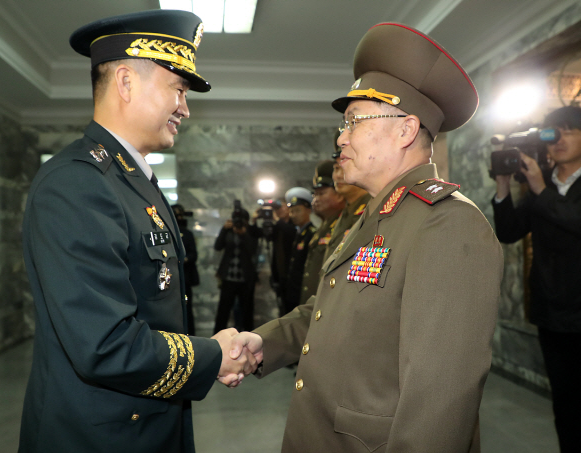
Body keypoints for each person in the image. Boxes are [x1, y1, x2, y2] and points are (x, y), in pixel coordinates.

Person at [229, 22, 503, 452]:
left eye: (354, 121)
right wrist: (263, 343)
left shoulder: (447, 224)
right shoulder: (376, 215)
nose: (341, 137)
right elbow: (330, 313)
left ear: (405, 130)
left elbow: (440, 402)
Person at [18, 10, 256, 453]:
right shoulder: (77, 183)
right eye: (178, 90)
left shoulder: (132, 179)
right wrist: (214, 355)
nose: (185, 108)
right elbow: (105, 345)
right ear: (126, 82)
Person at [492, 106, 581, 452]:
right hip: (551, 314)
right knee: (565, 406)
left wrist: (541, 188)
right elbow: (509, 231)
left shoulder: (543, 186)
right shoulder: (541, 184)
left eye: (568, 130)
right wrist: (503, 187)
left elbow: (574, 221)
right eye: (551, 132)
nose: (557, 139)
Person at [300, 160, 345, 305]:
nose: (315, 200)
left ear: (338, 194)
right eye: (314, 195)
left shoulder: (345, 224)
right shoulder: (324, 226)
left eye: (321, 194)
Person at [323, 132, 372, 262]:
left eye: (344, 166)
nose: (338, 176)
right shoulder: (345, 211)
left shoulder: (373, 207)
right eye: (336, 168)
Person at [213, 209, 258, 334]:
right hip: (228, 277)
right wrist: (223, 229)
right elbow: (217, 246)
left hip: (246, 278)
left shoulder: (251, 232)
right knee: (223, 310)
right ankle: (217, 336)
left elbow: (252, 251)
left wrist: (244, 234)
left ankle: (249, 338)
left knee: (247, 311)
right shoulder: (228, 230)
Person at [283, 187, 317, 314]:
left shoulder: (312, 234)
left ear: (308, 210)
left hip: (303, 293)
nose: (293, 215)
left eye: (297, 211)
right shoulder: (298, 233)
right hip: (293, 292)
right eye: (291, 211)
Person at [172, 204, 200, 336]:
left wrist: (184, 259)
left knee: (187, 308)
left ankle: (190, 335)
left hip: (186, 277)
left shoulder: (187, 234)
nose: (179, 218)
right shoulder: (168, 232)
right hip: (172, 278)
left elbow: (193, 254)